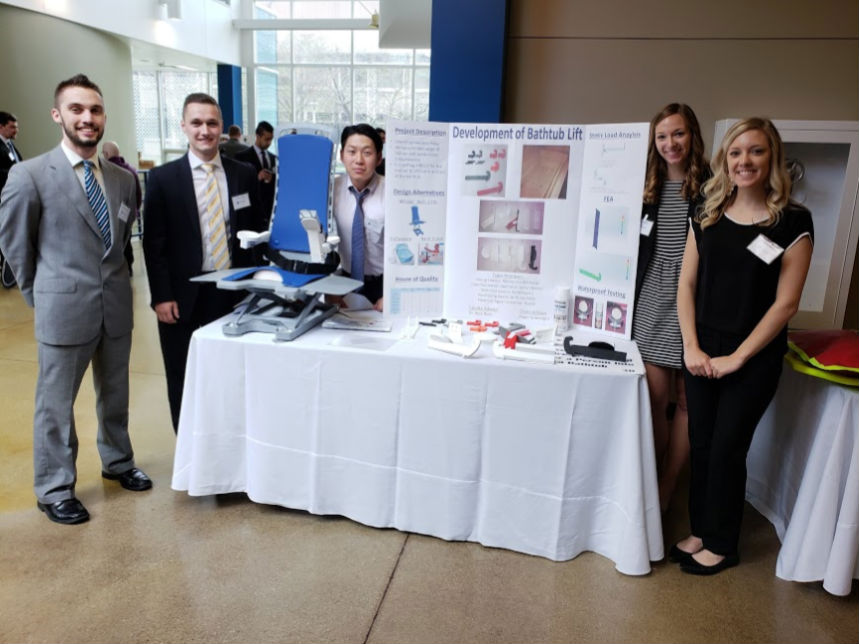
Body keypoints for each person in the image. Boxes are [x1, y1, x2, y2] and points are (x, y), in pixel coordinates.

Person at [0, 74, 152, 525]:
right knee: (56, 405)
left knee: (116, 394)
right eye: (77, 109)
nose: (88, 118)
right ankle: (54, 487)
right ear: (58, 115)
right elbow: (14, 245)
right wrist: (40, 294)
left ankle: (118, 461)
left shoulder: (124, 181)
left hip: (116, 309)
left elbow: (121, 240)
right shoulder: (28, 176)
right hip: (63, 308)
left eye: (95, 110)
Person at [672, 117, 813, 575]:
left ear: (771, 157)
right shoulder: (706, 211)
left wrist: (738, 357)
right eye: (735, 152)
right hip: (702, 348)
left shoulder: (792, 221)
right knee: (702, 443)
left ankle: (723, 543)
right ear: (724, 159)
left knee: (730, 445)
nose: (743, 161)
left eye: (755, 151)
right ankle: (701, 529)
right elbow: (686, 284)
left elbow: (786, 304)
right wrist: (692, 347)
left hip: (752, 356)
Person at [142, 93, 265, 432]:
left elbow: (255, 233)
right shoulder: (164, 179)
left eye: (211, 123)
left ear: (222, 128)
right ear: (183, 126)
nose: (204, 130)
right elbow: (154, 244)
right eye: (196, 122)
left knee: (230, 376)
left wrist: (256, 285)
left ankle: (229, 452)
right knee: (183, 376)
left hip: (232, 292)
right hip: (182, 296)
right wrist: (161, 296)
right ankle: (189, 458)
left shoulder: (244, 174)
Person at [631, 103, 709, 513]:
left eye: (677, 134)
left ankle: (668, 483)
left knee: (686, 400)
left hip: (696, 299)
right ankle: (652, 472)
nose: (670, 143)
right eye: (662, 136)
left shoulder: (714, 188)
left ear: (692, 135)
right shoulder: (646, 185)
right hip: (651, 299)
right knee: (654, 397)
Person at [332, 123, 385, 311]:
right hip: (341, 283)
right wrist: (329, 288)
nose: (359, 160)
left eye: (367, 153)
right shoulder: (330, 191)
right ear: (341, 156)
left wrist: (394, 293)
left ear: (379, 158)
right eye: (352, 152)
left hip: (383, 288)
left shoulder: (393, 193)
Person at [102, 141, 142, 275]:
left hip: (110, 216)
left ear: (106, 154)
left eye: (103, 153)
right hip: (129, 215)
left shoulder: (105, 171)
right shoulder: (131, 170)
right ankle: (128, 267)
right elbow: (138, 195)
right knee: (127, 241)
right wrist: (135, 210)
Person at [235, 120, 277, 226]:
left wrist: (272, 179)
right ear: (258, 136)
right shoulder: (242, 157)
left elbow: (278, 185)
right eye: (266, 139)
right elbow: (238, 185)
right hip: (251, 213)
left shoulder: (274, 158)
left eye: (271, 139)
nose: (269, 143)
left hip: (270, 212)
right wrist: (256, 178)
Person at [0, 111, 22, 193]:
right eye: (12, 127)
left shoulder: (9, 143)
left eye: (17, 127)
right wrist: (16, 172)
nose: (16, 130)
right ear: (1, 127)